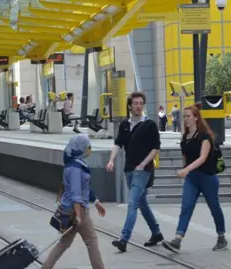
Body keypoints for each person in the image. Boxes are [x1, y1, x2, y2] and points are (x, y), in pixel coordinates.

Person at [162, 104, 227, 253]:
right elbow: (186, 158)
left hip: (207, 177)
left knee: (214, 207)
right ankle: (177, 240)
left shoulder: (205, 137)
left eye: (188, 116)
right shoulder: (185, 138)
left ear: (196, 118)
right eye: (184, 116)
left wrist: (186, 170)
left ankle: (221, 237)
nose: (185, 119)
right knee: (186, 207)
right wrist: (185, 169)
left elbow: (203, 158)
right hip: (192, 178)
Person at [106, 91, 163, 252]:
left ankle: (124, 239)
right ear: (130, 106)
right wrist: (111, 160)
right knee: (142, 203)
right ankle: (156, 233)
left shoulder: (149, 124)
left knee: (132, 204)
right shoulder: (124, 124)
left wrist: (143, 164)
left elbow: (155, 148)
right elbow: (118, 144)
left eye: (140, 103)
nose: (138, 106)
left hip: (143, 171)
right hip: (129, 170)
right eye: (135, 103)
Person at [42, 134, 105, 269]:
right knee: (91, 241)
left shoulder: (75, 163)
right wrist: (78, 215)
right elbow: (76, 194)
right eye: (88, 147)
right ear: (81, 147)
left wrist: (96, 201)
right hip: (77, 210)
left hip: (71, 209)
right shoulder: (76, 168)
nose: (89, 150)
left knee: (64, 243)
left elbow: (84, 188)